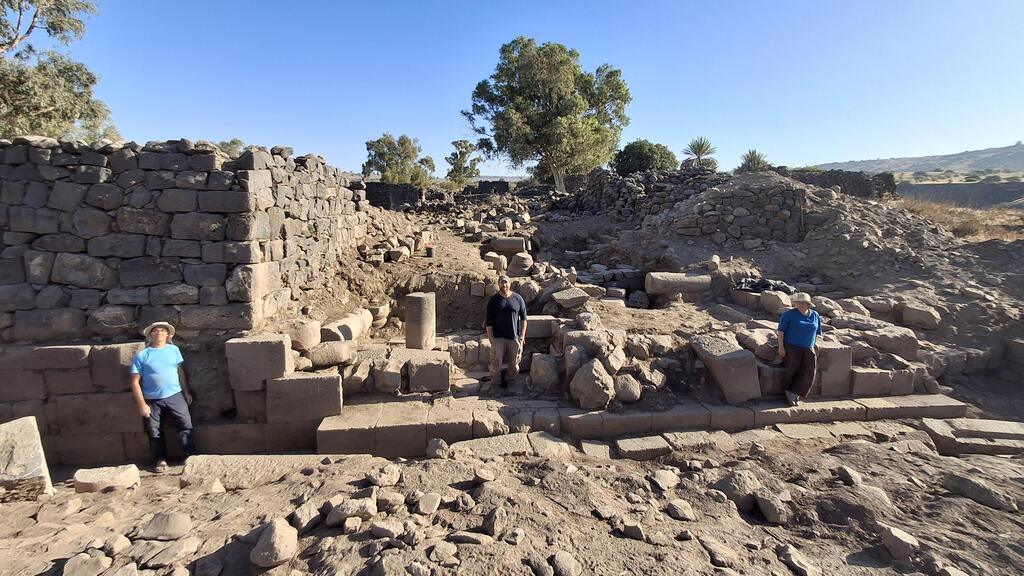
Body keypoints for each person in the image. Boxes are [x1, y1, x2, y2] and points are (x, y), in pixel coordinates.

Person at [130, 322, 195, 472]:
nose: (159, 332)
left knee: (185, 425)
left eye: (162, 330)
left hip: (175, 394)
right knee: (154, 430)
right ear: (150, 335)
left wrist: (186, 391)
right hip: (152, 399)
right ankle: (161, 459)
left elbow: (180, 371)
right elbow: (134, 381)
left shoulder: (174, 350)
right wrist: (142, 405)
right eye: (155, 330)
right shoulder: (142, 355)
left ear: (167, 335)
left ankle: (189, 455)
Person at [776, 293, 823, 406]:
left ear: (808, 304)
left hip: (808, 347)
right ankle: (789, 393)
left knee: (809, 372)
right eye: (799, 302)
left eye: (804, 302)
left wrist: (814, 344)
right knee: (792, 369)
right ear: (795, 303)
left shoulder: (815, 315)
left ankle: (796, 392)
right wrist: (781, 347)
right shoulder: (788, 315)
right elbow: (781, 331)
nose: (801, 304)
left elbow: (817, 332)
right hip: (792, 346)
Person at [483, 274, 528, 393]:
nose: (504, 285)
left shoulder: (518, 299)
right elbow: (488, 321)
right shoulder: (494, 300)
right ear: (498, 285)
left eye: (506, 282)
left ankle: (512, 382)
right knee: (496, 363)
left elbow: (524, 318)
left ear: (510, 284)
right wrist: (491, 338)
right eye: (502, 283)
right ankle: (495, 384)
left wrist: (522, 336)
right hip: (498, 338)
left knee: (514, 363)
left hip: (514, 337)